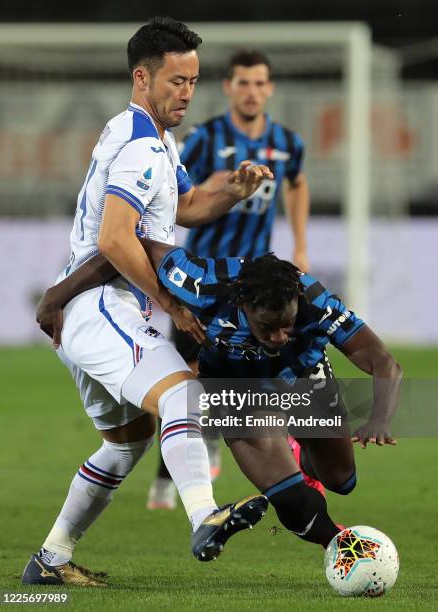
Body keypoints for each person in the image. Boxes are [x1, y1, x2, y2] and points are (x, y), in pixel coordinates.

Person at [22, 17, 274, 588]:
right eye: (176, 81)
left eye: (193, 80)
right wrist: (173, 304)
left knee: (125, 442)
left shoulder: (154, 136)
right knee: (184, 394)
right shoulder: (139, 144)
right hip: (100, 302)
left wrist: (233, 191)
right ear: (142, 77)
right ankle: (204, 515)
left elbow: (181, 207)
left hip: (90, 309)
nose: (187, 92)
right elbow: (116, 239)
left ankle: (50, 561)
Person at [36, 237, 402, 554]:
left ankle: (299, 446)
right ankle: (344, 550)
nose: (278, 336)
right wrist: (58, 295)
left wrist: (380, 418)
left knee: (341, 480)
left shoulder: (316, 302)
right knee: (294, 503)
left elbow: (383, 362)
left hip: (305, 383)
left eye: (287, 325)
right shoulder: (203, 281)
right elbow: (133, 248)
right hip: (235, 391)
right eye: (267, 327)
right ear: (243, 307)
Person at [148, 49, 311, 509]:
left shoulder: (287, 142)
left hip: (258, 286)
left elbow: (296, 183)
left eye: (260, 83)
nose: (252, 92)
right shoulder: (203, 139)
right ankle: (165, 478)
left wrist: (299, 243)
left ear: (270, 88)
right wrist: (223, 185)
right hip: (203, 281)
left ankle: (269, 461)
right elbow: (184, 195)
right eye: (243, 83)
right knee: (185, 379)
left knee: (259, 371)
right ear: (228, 87)